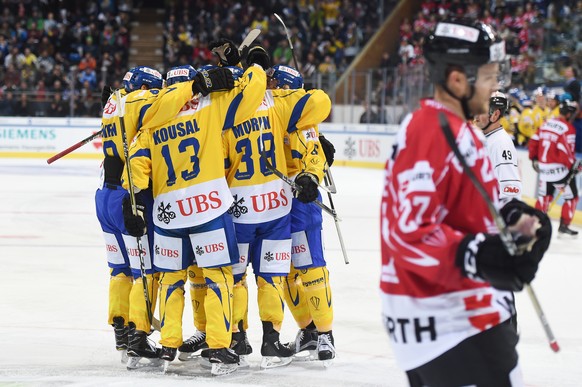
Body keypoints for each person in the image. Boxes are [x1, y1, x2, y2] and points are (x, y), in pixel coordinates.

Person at [380, 18, 552, 386]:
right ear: (458, 80)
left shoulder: (459, 131)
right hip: (449, 321)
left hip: (464, 316)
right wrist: (477, 253)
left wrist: (515, 218)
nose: (495, 88)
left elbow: (469, 207)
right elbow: (409, 232)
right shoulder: (430, 132)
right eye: (489, 78)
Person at [122, 57, 266, 376]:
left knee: (172, 280)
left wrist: (133, 204)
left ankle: (168, 344)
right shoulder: (210, 106)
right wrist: (254, 67)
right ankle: (217, 347)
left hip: (168, 215)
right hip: (209, 209)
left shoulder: (153, 119)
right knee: (217, 279)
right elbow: (253, 95)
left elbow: (135, 167)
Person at [96, 65, 231, 368]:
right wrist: (194, 87)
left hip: (105, 193)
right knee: (148, 272)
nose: (161, 92)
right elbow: (165, 107)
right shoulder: (145, 100)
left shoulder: (115, 101)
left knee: (120, 270)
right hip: (132, 194)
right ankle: (137, 335)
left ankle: (122, 331)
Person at [218, 43, 331, 369]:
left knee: (241, 277)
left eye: (281, 86)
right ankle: (280, 336)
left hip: (243, 208)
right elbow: (320, 103)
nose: (276, 89)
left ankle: (240, 338)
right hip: (277, 207)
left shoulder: (231, 108)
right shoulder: (284, 109)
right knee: (275, 276)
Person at [267, 64, 337, 365]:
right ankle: (307, 330)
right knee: (286, 274)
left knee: (309, 269)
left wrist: (310, 177)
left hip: (299, 206)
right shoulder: (271, 118)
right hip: (272, 206)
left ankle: (325, 334)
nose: (267, 87)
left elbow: (311, 157)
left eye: (272, 83)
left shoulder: (302, 123)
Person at [529, 96, 580, 236]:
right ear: (569, 114)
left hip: (543, 169)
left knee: (544, 197)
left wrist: (533, 158)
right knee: (572, 197)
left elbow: (534, 140)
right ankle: (564, 226)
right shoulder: (568, 128)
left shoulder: (547, 123)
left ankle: (536, 223)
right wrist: (574, 167)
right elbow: (566, 152)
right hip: (560, 171)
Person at [473, 91, 522, 201]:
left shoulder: (501, 144)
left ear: (495, 114)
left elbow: (510, 190)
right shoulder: (483, 137)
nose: (476, 115)